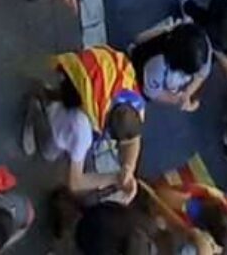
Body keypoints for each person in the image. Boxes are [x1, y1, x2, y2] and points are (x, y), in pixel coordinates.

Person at [21, 47, 144, 198]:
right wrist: (115, 178)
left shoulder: (133, 102)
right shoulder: (83, 131)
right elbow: (75, 183)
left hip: (77, 77)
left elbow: (133, 140)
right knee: (49, 152)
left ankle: (51, 96)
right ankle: (37, 110)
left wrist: (128, 168)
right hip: (72, 118)